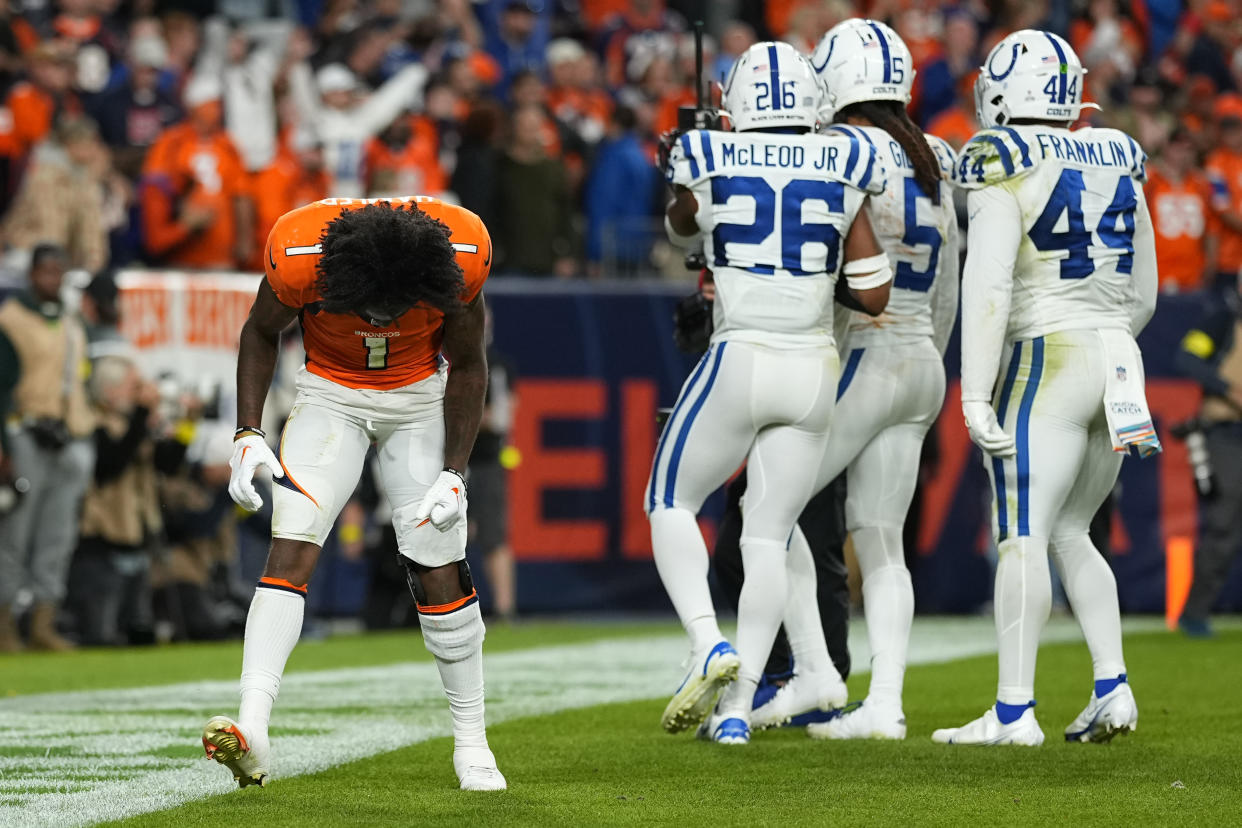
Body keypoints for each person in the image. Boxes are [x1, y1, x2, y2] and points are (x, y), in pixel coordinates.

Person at [201, 196, 505, 792]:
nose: (384, 317)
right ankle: (253, 728)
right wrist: (246, 432)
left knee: (438, 561)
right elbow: (260, 332)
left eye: (399, 305)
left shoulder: (459, 254)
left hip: (420, 397)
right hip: (329, 395)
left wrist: (455, 472)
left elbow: (469, 363)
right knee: (292, 536)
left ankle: (473, 742)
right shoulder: (301, 254)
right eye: (373, 303)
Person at [649, 41, 892, 746]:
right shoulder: (849, 159)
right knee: (767, 535)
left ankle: (706, 641)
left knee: (669, 501)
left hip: (744, 351)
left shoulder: (709, 152)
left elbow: (681, 226)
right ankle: (735, 713)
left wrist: (691, 175)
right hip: (814, 363)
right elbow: (875, 290)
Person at [933, 30, 1159, 747]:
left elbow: (989, 278)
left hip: (1048, 356)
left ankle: (1012, 712)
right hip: (1118, 353)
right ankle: (1112, 686)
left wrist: (974, 389)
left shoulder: (1000, 155)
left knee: (1025, 533)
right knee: (1073, 531)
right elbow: (1147, 291)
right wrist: (1108, 340)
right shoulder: (1119, 149)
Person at [751, 19, 960, 740]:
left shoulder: (837, 146)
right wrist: (932, 355)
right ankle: (887, 705)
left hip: (867, 351)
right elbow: (951, 284)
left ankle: (816, 669)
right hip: (922, 360)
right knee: (881, 540)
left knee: (764, 510)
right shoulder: (935, 153)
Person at [0, 244, 95, 653]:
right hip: (24, 430)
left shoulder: (72, 320)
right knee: (14, 535)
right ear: (32, 274)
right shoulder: (11, 319)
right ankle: (5, 624)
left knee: (58, 535)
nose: (52, 280)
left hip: (67, 434)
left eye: (59, 272)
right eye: (45, 272)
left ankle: (43, 620)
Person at [1175, 283, 1242, 637]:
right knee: (1223, 526)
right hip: (1227, 433)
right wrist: (1227, 389)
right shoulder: (1222, 321)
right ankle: (1195, 613)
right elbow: (1187, 357)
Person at [1146, 126, 1217, 293]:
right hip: (1157, 276)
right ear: (1166, 147)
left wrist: (1211, 265)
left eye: (1189, 148)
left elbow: (1212, 229)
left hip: (1193, 277)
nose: (1182, 153)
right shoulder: (1150, 181)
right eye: (1177, 147)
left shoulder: (1202, 185)